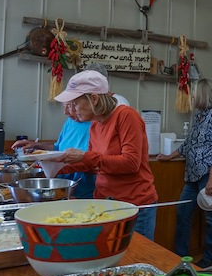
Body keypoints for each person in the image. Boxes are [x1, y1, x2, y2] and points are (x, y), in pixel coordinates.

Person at [51, 70, 159, 240]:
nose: (72, 110)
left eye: (76, 103)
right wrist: (55, 165)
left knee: (136, 259)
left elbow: (131, 163)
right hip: (105, 203)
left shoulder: (126, 116)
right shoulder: (95, 125)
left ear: (94, 98)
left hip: (133, 204)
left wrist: (84, 157)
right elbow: (91, 163)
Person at [156, 79, 212, 271]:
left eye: (196, 92)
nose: (193, 95)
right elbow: (190, 142)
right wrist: (170, 156)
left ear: (205, 93)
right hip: (194, 173)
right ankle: (179, 255)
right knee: (183, 212)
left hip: (210, 173)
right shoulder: (199, 115)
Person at [11, 102, 96, 199]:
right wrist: (37, 145)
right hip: (60, 190)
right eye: (64, 106)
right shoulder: (70, 122)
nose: (65, 112)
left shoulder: (98, 125)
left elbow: (98, 162)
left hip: (85, 194)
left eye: (70, 106)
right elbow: (57, 148)